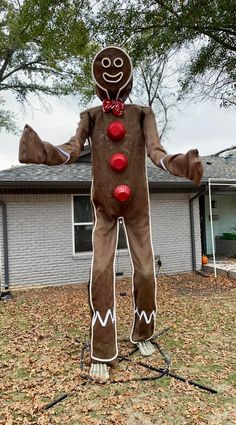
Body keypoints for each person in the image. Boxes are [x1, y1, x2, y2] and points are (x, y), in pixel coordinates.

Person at [19, 46, 203, 381]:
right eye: (106, 64)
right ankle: (102, 349)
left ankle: (144, 332)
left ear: (128, 72)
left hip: (137, 206)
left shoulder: (143, 113)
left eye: (119, 64)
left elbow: (156, 151)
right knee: (101, 270)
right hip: (104, 205)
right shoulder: (91, 115)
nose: (112, 68)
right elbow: (72, 149)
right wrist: (43, 151)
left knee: (146, 272)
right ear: (96, 75)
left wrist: (182, 164)